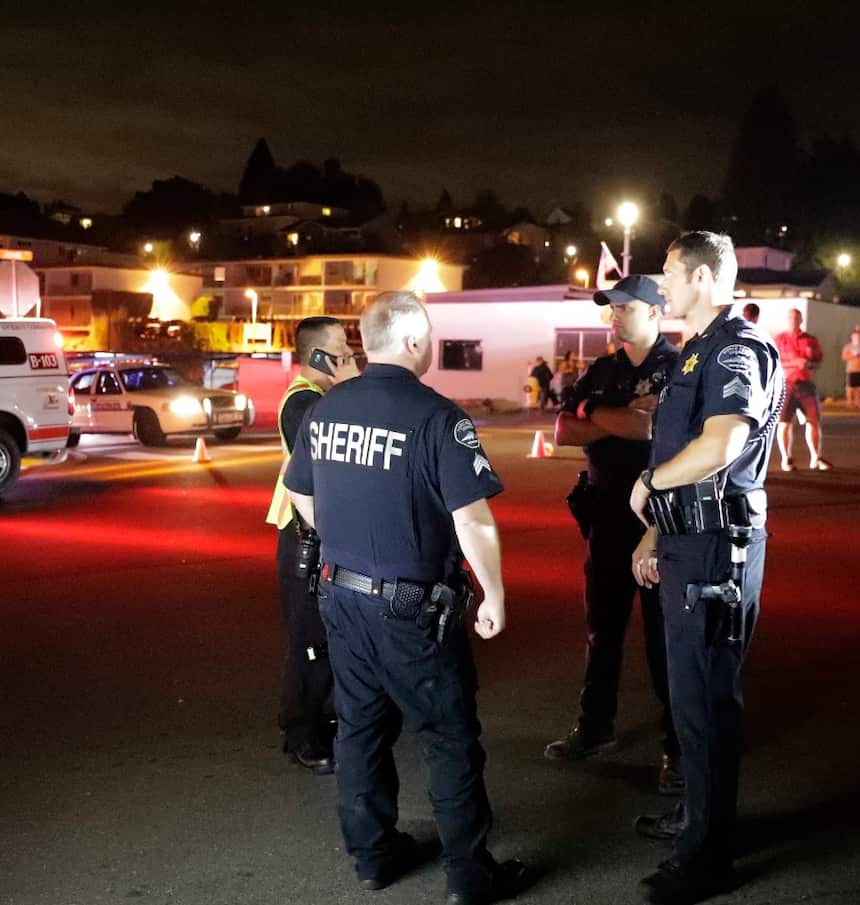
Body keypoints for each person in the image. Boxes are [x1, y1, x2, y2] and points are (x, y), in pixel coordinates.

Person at [283, 291, 529, 905]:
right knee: (447, 735)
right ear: (416, 341)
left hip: (341, 597)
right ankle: (470, 877)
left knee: (360, 728)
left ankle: (373, 857)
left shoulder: (325, 409)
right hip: (411, 609)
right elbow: (472, 520)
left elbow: (303, 498)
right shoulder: (439, 417)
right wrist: (492, 593)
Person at [628, 232, 783, 904]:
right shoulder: (698, 351)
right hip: (688, 541)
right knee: (690, 701)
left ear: (701, 276)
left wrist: (649, 485)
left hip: (718, 548)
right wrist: (653, 538)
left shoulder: (736, 347)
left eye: (668, 273)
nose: (660, 285)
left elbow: (724, 442)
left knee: (706, 702)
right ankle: (701, 817)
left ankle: (706, 858)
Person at [544, 274, 683, 797]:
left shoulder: (676, 368)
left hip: (659, 519)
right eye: (611, 307)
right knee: (601, 628)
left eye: (625, 307)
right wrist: (616, 417)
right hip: (605, 517)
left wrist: (593, 416)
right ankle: (595, 726)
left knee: (663, 638)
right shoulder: (603, 370)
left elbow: (653, 431)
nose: (614, 315)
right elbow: (562, 431)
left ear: (653, 312)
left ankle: (678, 743)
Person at [265, 316, 360, 773]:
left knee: (328, 637)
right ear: (321, 356)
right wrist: (356, 387)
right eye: (343, 346)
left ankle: (328, 719)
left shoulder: (322, 398)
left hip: (324, 533)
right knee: (310, 641)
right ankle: (302, 733)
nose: (351, 354)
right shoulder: (303, 402)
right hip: (304, 537)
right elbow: (329, 459)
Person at [773, 308, 829, 471]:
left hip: (806, 385)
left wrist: (808, 364)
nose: (794, 320)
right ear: (786, 320)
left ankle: (815, 458)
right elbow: (774, 362)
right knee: (784, 423)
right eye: (791, 318)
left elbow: (818, 361)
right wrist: (794, 363)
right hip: (787, 385)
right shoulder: (779, 339)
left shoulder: (810, 340)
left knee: (813, 421)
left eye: (797, 318)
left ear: (801, 320)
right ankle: (786, 459)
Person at [841, 328, 860, 408]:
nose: (857, 338)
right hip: (851, 369)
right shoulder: (848, 347)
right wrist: (854, 356)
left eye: (859, 336)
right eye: (855, 336)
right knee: (850, 387)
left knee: (859, 387)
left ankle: (857, 401)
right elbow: (844, 357)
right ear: (852, 337)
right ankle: (849, 402)